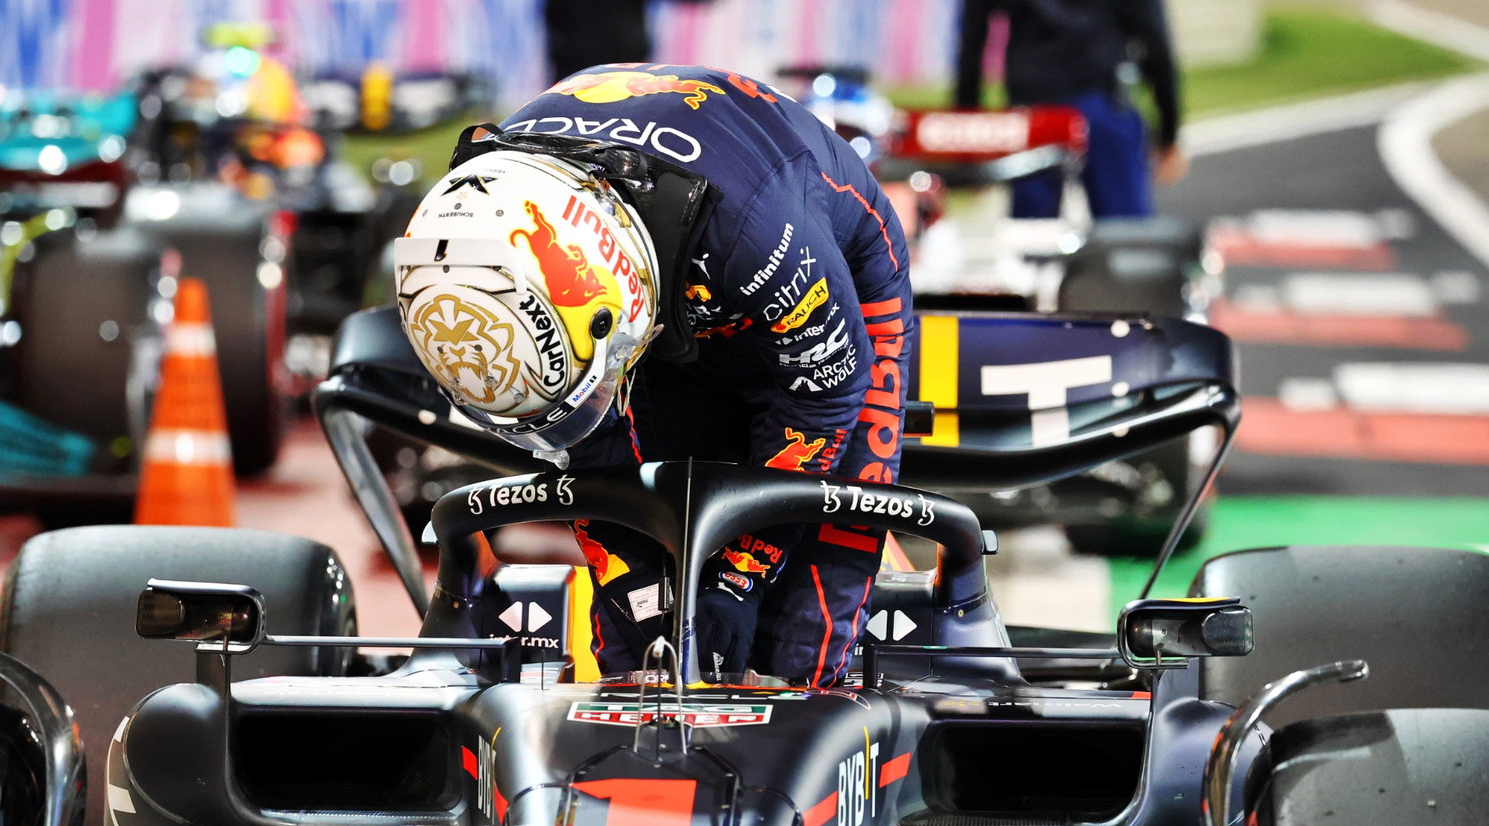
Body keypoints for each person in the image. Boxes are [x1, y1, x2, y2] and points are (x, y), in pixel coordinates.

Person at [392, 63, 914, 687]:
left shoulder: (761, 235)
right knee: (640, 635)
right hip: (670, 275)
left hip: (816, 267)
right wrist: (634, 581)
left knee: (801, 629)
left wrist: (741, 575)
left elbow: (824, 401)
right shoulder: (467, 228)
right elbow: (587, 448)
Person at [955, 0, 1186, 219]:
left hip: (1034, 109)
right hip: (1100, 99)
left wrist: (969, 148)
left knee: (1032, 235)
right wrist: (1169, 131)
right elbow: (1153, 36)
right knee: (1125, 233)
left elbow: (971, 40)